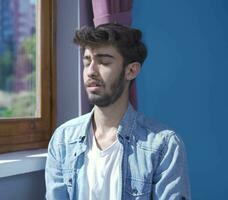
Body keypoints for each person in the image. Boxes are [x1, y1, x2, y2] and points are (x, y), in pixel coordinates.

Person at [45, 23, 191, 200]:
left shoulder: (164, 145)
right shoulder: (63, 139)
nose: (91, 71)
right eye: (87, 61)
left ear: (131, 70)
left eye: (104, 62)